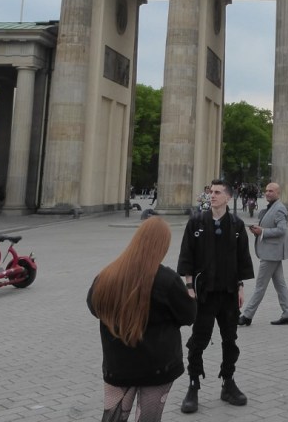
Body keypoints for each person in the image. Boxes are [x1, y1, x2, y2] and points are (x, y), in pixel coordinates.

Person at [88, 216, 196, 422]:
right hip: (157, 365)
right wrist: (190, 295)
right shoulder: (167, 280)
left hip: (118, 363)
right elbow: (188, 315)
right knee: (148, 418)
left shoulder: (107, 274)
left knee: (113, 417)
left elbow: (95, 308)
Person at [177, 179, 254, 413]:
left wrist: (240, 286)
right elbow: (187, 255)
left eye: (218, 192)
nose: (213, 196)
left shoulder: (238, 226)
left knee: (230, 340)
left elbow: (241, 260)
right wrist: (189, 286)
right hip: (204, 293)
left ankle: (228, 383)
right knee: (198, 341)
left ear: (228, 197)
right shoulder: (196, 223)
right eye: (211, 192)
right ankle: (193, 386)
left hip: (229, 293)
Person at [238, 182, 288, 326]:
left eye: (271, 191)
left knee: (260, 286)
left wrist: (262, 231)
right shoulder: (272, 207)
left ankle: (247, 316)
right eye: (266, 191)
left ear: (278, 193)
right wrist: (258, 229)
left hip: (271, 253)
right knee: (280, 284)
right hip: (272, 252)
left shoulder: (279, 209)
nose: (267, 193)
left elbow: (282, 230)